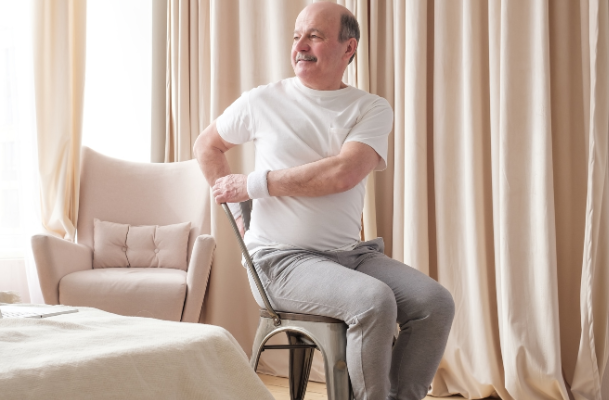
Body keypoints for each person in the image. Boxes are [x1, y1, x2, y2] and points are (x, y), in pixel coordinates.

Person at [193, 3, 454, 399]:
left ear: (348, 49)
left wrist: (253, 184)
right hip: (280, 260)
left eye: (314, 36)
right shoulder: (262, 101)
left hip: (352, 255)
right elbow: (207, 145)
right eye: (297, 36)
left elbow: (342, 173)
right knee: (373, 300)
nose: (300, 45)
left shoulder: (370, 108)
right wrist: (236, 211)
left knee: (435, 303)